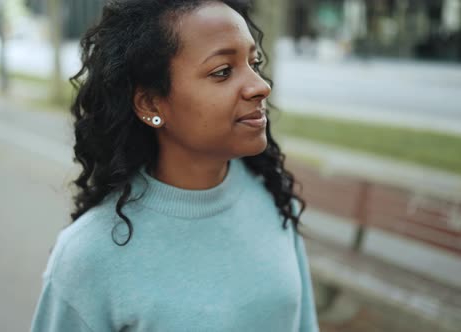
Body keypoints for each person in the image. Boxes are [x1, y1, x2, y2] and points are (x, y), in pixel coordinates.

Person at [30, 0, 319, 331]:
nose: (260, 86)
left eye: (254, 62)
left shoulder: (273, 197)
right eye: (223, 71)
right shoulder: (89, 256)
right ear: (151, 103)